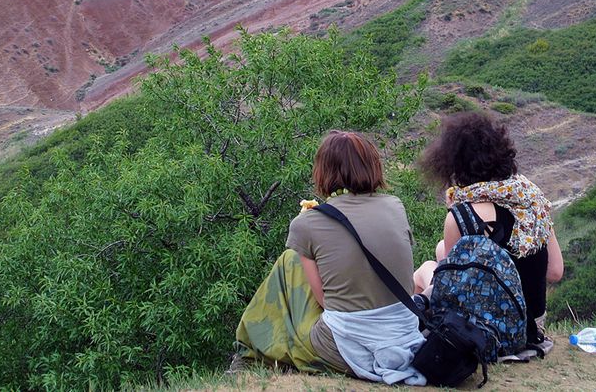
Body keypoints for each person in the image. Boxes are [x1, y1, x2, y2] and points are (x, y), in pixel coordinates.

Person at [235, 130, 426, 385]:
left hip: (346, 348)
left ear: (323, 171)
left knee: (289, 262)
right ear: (372, 166)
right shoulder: (394, 205)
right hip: (404, 336)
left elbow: (325, 300)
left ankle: (248, 350)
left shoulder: (308, 223)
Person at [412, 111, 564, 353]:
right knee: (442, 250)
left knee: (424, 271)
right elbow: (555, 272)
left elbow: (453, 289)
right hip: (529, 330)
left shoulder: (462, 216)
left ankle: (415, 336)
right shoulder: (533, 201)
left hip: (484, 331)